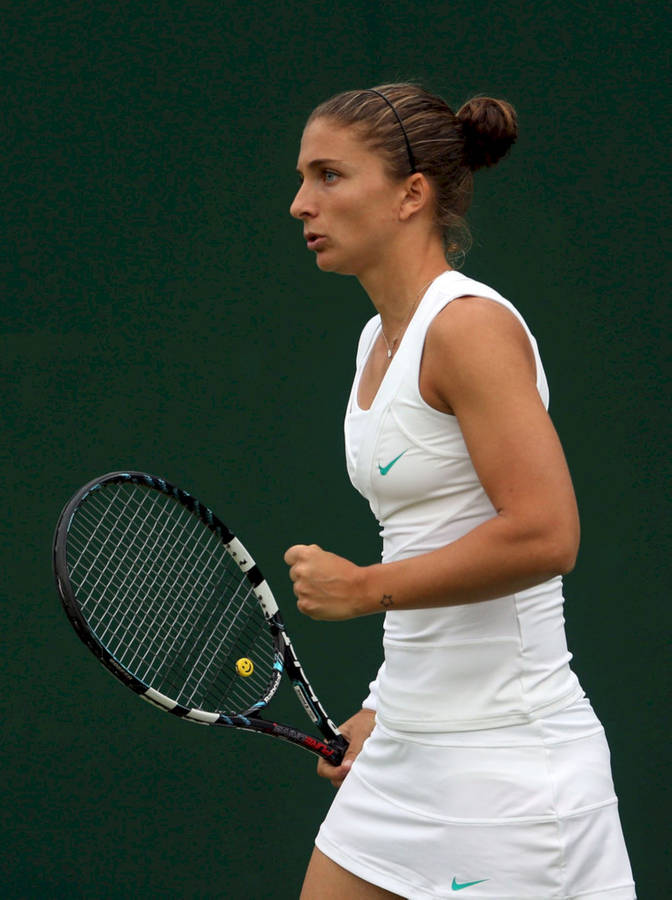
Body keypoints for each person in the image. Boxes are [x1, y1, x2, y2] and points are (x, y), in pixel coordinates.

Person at [285, 84, 635, 900]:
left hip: (508, 772)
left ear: (412, 194)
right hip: (404, 747)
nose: (301, 202)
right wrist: (384, 706)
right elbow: (429, 530)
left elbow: (546, 533)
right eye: (303, 177)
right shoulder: (378, 339)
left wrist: (365, 589)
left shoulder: (469, 328)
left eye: (329, 175)